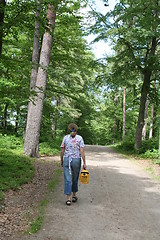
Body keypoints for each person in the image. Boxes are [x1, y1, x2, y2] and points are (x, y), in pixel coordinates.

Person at [60, 123, 86, 206]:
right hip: (76, 160)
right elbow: (82, 151)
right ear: (76, 130)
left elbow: (62, 151)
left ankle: (68, 198)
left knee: (68, 179)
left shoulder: (65, 138)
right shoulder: (80, 138)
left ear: (69, 130)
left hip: (67, 159)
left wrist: (61, 160)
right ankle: (74, 196)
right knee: (75, 177)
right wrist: (84, 162)